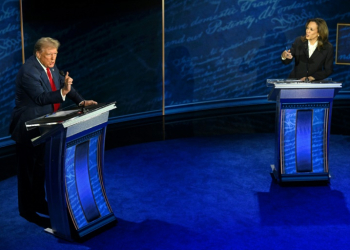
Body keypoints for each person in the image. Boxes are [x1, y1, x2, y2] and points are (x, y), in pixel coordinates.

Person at [9, 37, 97, 223]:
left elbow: (63, 84)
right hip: (28, 128)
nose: (53, 59)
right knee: (27, 172)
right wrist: (63, 92)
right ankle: (27, 211)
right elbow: (41, 98)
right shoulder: (28, 71)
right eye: (49, 55)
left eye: (55, 54)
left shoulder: (51, 67)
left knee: (41, 168)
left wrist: (80, 101)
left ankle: (39, 202)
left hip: (45, 125)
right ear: (38, 54)